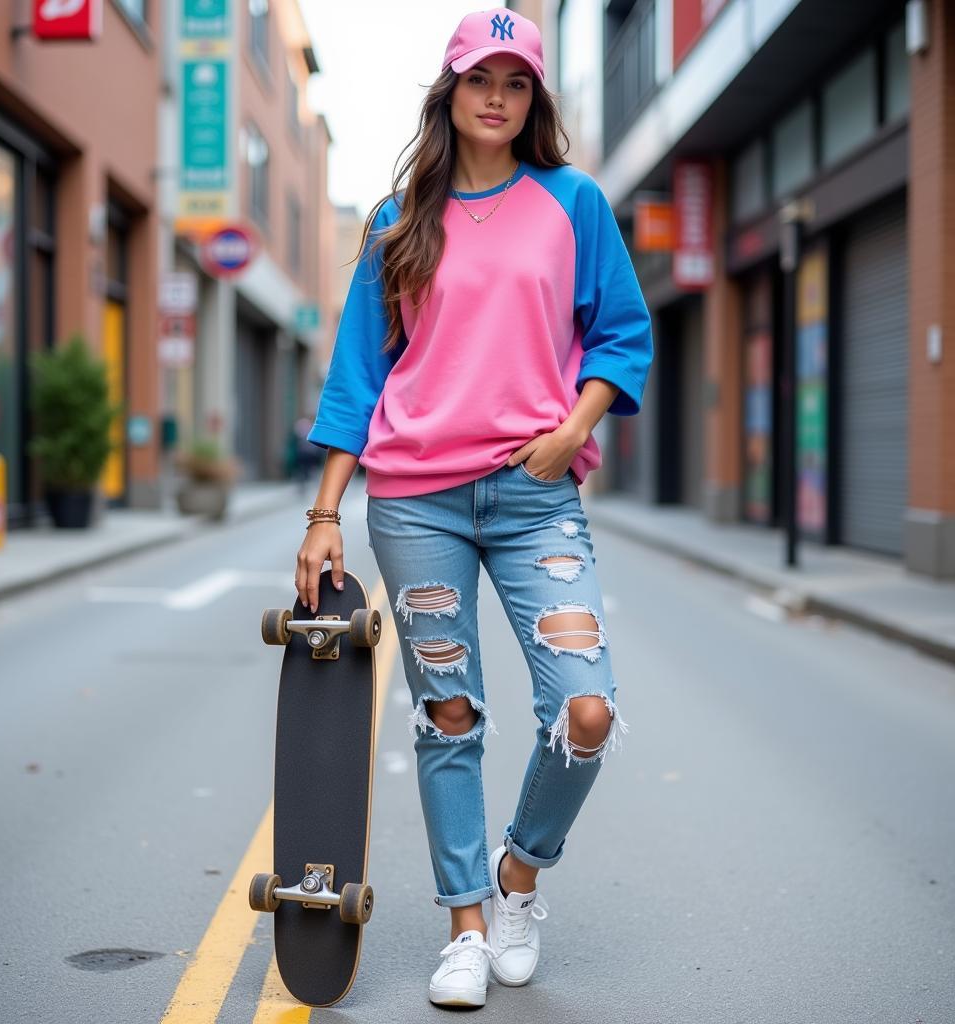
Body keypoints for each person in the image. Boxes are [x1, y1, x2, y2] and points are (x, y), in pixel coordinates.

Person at [297, 7, 654, 1009]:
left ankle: (517, 877)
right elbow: (357, 378)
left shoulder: (571, 202)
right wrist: (325, 515)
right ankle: (463, 927)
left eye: (514, 82)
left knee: (584, 709)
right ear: (448, 91)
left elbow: (620, 333)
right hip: (414, 500)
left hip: (536, 495)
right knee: (449, 715)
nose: (495, 96)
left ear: (532, 100)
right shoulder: (395, 219)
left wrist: (571, 429)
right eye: (477, 78)